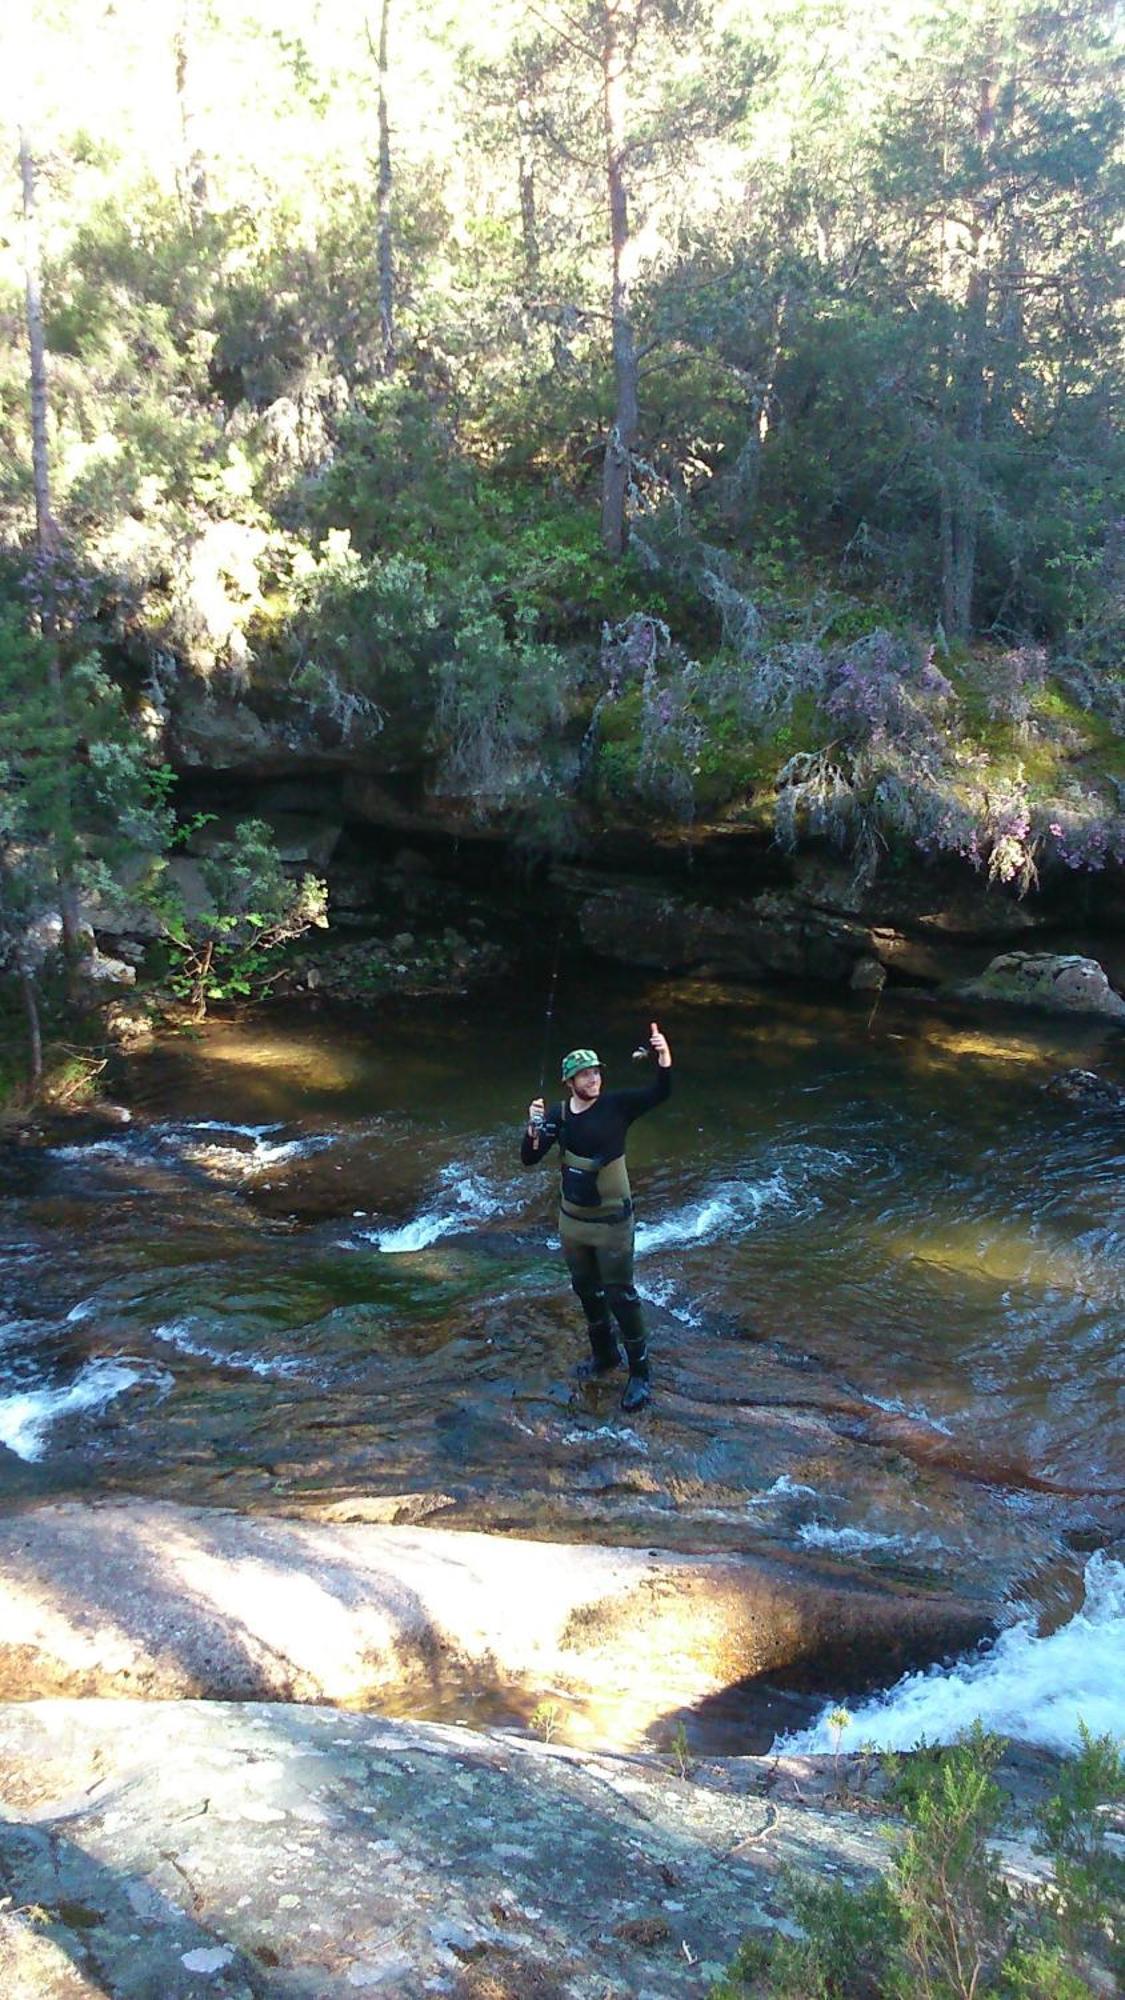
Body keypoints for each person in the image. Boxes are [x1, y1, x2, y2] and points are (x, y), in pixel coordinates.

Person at [521, 1022, 672, 1412]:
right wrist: (533, 1127)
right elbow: (530, 1157)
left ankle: (640, 1374)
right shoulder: (560, 1116)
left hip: (612, 1223)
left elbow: (661, 1092)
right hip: (572, 1221)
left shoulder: (617, 1106)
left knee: (621, 1295)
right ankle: (605, 1356)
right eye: (586, 1074)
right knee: (587, 1291)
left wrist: (663, 1057)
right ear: (569, 1081)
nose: (594, 1079)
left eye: (597, 1072)